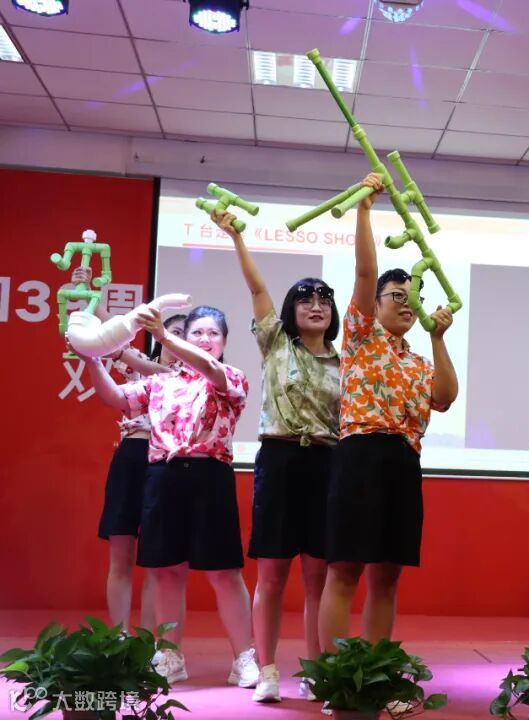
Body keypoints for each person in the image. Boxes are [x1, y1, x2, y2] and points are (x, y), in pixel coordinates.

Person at [82, 305, 257, 688]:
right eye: (197, 333)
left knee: (225, 573)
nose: (205, 339)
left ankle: (244, 657)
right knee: (166, 572)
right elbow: (116, 397)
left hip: (211, 476)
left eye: (213, 333)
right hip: (163, 477)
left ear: (224, 342)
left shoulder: (229, 376)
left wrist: (163, 336)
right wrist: (92, 359)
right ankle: (171, 656)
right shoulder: (160, 382)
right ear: (186, 336)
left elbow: (207, 367)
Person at [318, 173, 458, 651]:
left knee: (387, 575)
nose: (406, 302)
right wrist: (364, 209)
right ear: (375, 305)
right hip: (359, 455)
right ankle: (335, 674)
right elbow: (364, 272)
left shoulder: (418, 361)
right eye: (397, 295)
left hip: (404, 462)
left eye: (412, 296)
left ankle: (373, 670)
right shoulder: (361, 338)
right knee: (345, 570)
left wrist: (437, 338)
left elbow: (445, 396)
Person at [213, 209, 341, 703]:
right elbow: (257, 287)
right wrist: (237, 237)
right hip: (280, 461)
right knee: (272, 574)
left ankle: (316, 670)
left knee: (318, 578)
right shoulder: (275, 342)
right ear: (290, 309)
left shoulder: (344, 361)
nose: (316, 305)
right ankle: (266, 670)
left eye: (324, 300)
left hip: (326, 465)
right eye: (305, 298)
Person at [69, 267, 183, 635]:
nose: (177, 339)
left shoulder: (195, 379)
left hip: (165, 465)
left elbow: (123, 346)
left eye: (185, 335)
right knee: (120, 553)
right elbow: (111, 328)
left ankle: (147, 644)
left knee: (154, 560)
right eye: (171, 332)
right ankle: (118, 638)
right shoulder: (139, 367)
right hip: (131, 459)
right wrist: (85, 287)